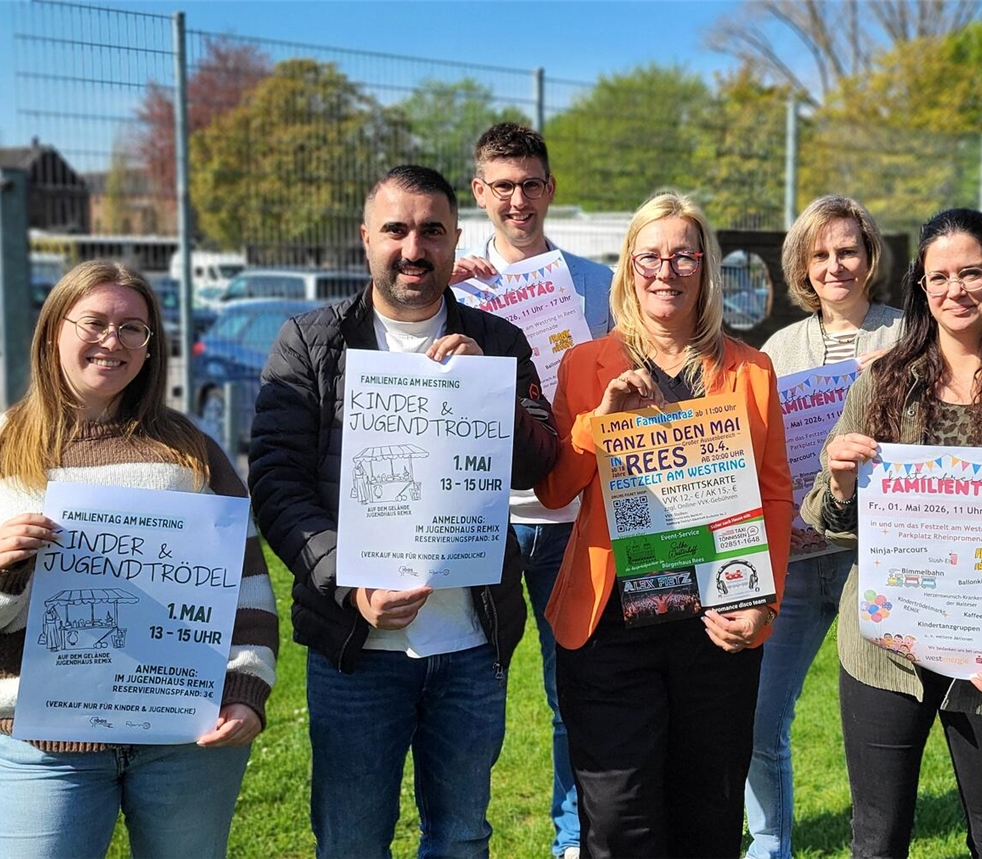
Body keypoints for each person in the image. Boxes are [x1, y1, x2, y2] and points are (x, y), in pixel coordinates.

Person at [247, 164, 559, 858]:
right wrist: (349, 583)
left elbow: (542, 464)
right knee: (352, 841)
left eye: (432, 231)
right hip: (355, 650)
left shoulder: (499, 340)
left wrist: (488, 391)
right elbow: (276, 483)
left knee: (461, 837)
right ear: (366, 238)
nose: (413, 249)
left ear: (455, 240)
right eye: (396, 229)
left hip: (471, 647)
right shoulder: (310, 341)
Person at [0, 260, 279, 859]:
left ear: (150, 346)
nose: (112, 341)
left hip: (185, 739)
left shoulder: (192, 453)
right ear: (53, 333)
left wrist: (246, 687)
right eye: (93, 323)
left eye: (132, 329)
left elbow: (244, 590)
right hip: (41, 744)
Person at [802, 208, 982, 858]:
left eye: (972, 272)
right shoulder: (881, 385)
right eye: (940, 277)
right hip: (885, 653)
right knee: (878, 839)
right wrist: (840, 482)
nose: (956, 289)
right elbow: (829, 521)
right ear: (922, 288)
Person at [534, 191, 793, 857]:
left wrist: (763, 604)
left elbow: (773, 497)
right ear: (629, 266)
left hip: (717, 621)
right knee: (619, 820)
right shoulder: (586, 364)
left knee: (708, 816)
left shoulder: (751, 370)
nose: (666, 271)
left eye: (683, 256)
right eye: (650, 256)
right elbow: (556, 488)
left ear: (705, 267)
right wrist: (601, 424)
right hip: (610, 629)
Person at [451, 121, 614, 859]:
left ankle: (572, 837)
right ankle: (460, 833)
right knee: (469, 689)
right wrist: (444, 296)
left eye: (531, 185)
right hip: (479, 512)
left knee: (570, 688)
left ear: (551, 189)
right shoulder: (452, 284)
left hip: (572, 510)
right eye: (503, 187)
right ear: (479, 192)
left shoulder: (596, 284)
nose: (518, 200)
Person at [745, 195, 903, 859]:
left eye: (847, 250)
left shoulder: (910, 333)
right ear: (801, 268)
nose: (835, 265)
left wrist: (894, 387)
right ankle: (767, 845)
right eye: (820, 255)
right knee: (759, 718)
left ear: (870, 256)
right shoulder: (779, 348)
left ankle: (878, 843)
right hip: (798, 556)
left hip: (879, 558)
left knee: (883, 725)